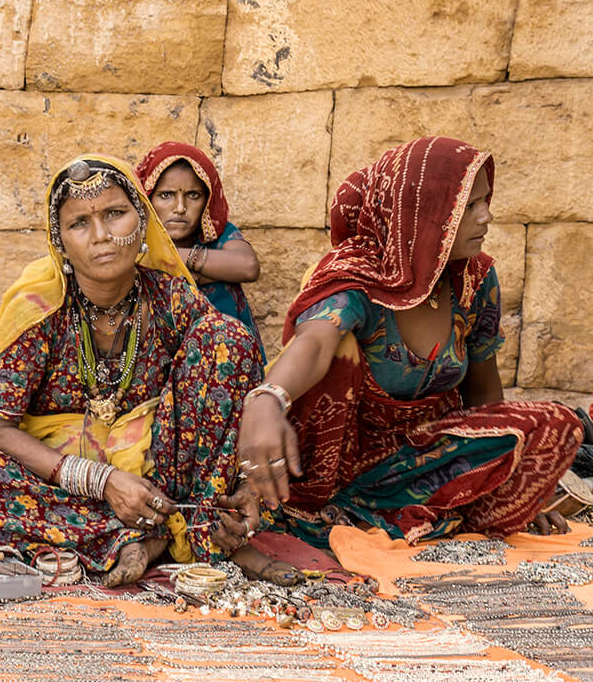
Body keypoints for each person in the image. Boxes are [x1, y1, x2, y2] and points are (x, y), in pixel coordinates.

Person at [0, 154, 263, 586]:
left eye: (115, 214)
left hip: (159, 474)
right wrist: (103, 480)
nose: (101, 236)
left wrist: (248, 483)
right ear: (59, 242)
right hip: (62, 475)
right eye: (80, 223)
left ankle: (197, 522)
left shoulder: (169, 298)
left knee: (226, 338)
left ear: (142, 224)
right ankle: (141, 535)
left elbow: (226, 388)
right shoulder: (41, 310)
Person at [237, 136, 582, 546]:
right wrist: (268, 398)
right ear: (424, 215)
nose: (486, 217)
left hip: (418, 462)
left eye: (485, 201)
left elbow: (484, 396)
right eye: (469, 206)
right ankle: (318, 508)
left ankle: (400, 510)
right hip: (336, 467)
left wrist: (512, 475)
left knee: (558, 423)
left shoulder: (475, 281)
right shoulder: (360, 278)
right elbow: (315, 341)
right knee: (342, 353)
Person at [137, 141, 265, 362]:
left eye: (193, 195)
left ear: (208, 199)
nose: (180, 207)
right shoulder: (134, 239)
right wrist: (208, 269)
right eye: (166, 195)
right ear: (147, 198)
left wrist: (174, 257)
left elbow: (248, 266)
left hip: (231, 360)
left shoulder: (216, 232)